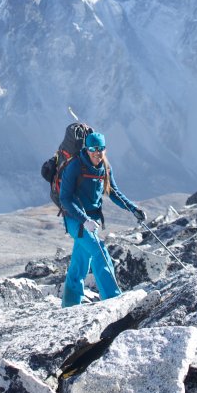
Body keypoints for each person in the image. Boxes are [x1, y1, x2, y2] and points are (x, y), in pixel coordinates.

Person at [58, 131, 147, 307]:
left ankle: (69, 305)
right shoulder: (75, 167)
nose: (97, 153)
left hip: (91, 221)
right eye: (93, 149)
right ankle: (113, 301)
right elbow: (65, 199)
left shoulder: (105, 167)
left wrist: (134, 209)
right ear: (87, 149)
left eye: (101, 149)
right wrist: (84, 220)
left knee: (80, 261)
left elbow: (113, 192)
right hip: (75, 218)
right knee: (100, 252)